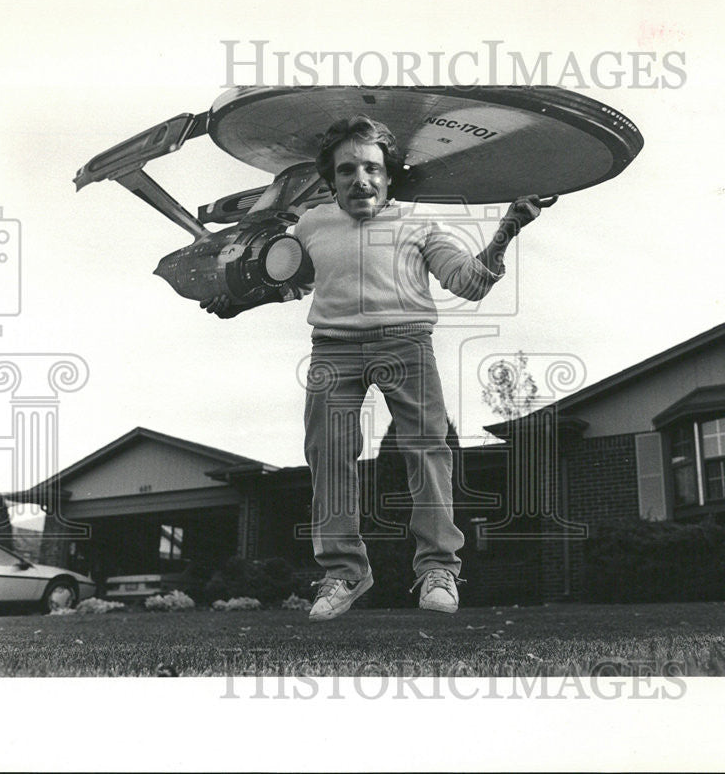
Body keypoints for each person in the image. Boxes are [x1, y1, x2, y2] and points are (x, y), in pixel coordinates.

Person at [203, 114, 550, 621]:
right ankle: (345, 572)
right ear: (331, 179)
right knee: (328, 453)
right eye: (346, 170)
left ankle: (438, 569)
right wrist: (238, 301)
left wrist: (509, 227)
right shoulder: (311, 225)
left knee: (427, 449)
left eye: (371, 168)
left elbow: (470, 283)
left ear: (389, 174)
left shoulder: (420, 224)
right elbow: (289, 281)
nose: (359, 179)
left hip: (406, 344)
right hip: (333, 349)